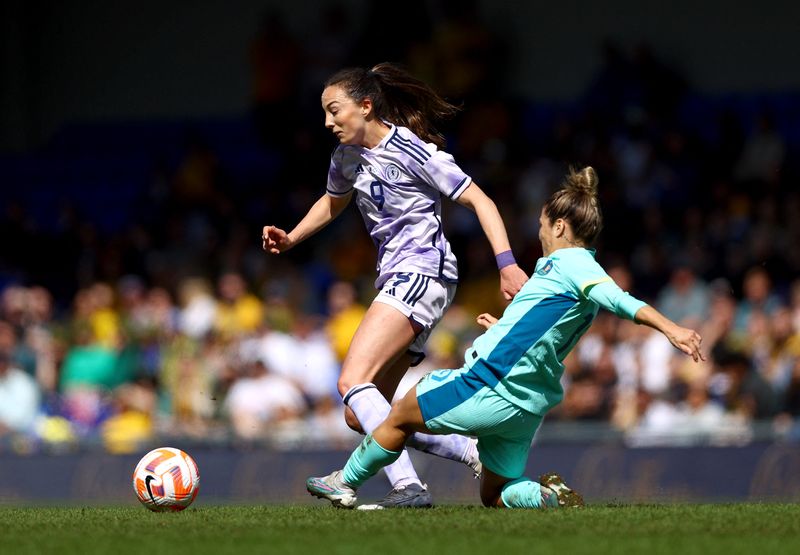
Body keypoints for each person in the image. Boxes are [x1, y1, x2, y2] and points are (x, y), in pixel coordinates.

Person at [306, 166, 705, 509]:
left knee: (399, 416)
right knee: (495, 494)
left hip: (490, 383)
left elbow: (619, 299)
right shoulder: (556, 273)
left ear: (560, 226)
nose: (541, 233)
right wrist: (502, 327)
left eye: (542, 225)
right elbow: (545, 329)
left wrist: (672, 329)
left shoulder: (574, 264)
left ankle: (344, 482)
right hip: (527, 406)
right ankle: (545, 498)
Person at [262, 63, 528, 508]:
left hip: (422, 273)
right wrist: (292, 237)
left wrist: (506, 264)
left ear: (366, 106)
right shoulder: (347, 157)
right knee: (360, 413)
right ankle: (471, 451)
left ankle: (408, 486)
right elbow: (333, 201)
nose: (328, 122)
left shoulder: (412, 150)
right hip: (406, 279)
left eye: (335, 111)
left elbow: (480, 199)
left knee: (351, 379)